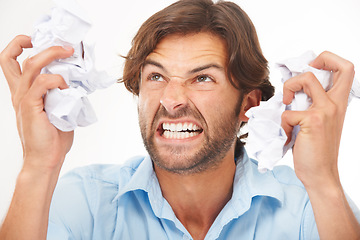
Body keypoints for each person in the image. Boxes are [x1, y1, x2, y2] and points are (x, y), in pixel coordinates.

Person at [0, 0, 359, 239]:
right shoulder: (84, 203)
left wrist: (324, 180)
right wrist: (38, 166)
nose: (172, 101)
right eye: (156, 77)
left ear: (248, 104)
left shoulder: (308, 207)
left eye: (202, 78)